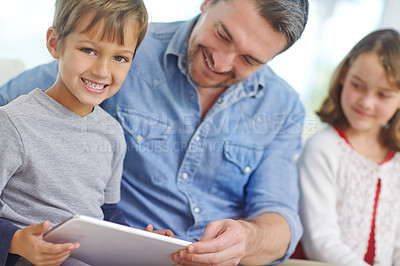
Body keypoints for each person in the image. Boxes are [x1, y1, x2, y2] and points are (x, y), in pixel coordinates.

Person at [0, 0, 309, 264]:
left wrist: (249, 239)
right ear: (208, 2)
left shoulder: (283, 107)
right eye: (223, 35)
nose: (222, 62)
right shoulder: (123, 42)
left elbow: (280, 216)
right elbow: (25, 106)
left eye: (250, 60)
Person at [0, 0, 172, 265]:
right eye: (89, 50)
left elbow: (107, 211)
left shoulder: (112, 133)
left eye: (120, 58)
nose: (102, 71)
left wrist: (138, 241)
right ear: (55, 43)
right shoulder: (12, 123)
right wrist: (17, 241)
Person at [298, 29, 400, 265]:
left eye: (383, 95)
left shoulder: (396, 160)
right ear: (344, 75)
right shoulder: (323, 149)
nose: (366, 102)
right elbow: (321, 242)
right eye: (358, 85)